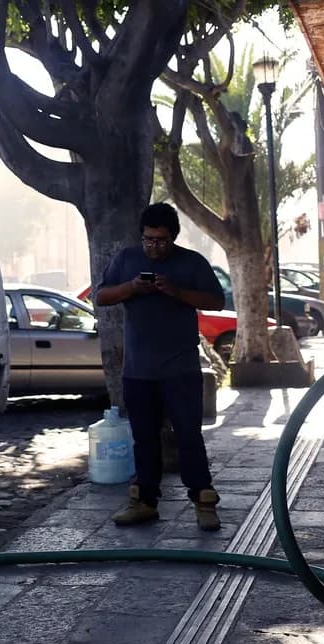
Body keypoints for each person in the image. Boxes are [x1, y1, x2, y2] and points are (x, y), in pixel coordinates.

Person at [94, 203, 226, 531]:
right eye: (148, 240)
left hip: (180, 370)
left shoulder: (191, 262)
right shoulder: (126, 260)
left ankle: (203, 501)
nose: (154, 246)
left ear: (173, 238)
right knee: (144, 438)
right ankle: (144, 501)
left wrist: (175, 291)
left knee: (188, 436)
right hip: (138, 371)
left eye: (161, 241)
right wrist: (132, 288)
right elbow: (102, 296)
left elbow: (216, 301)